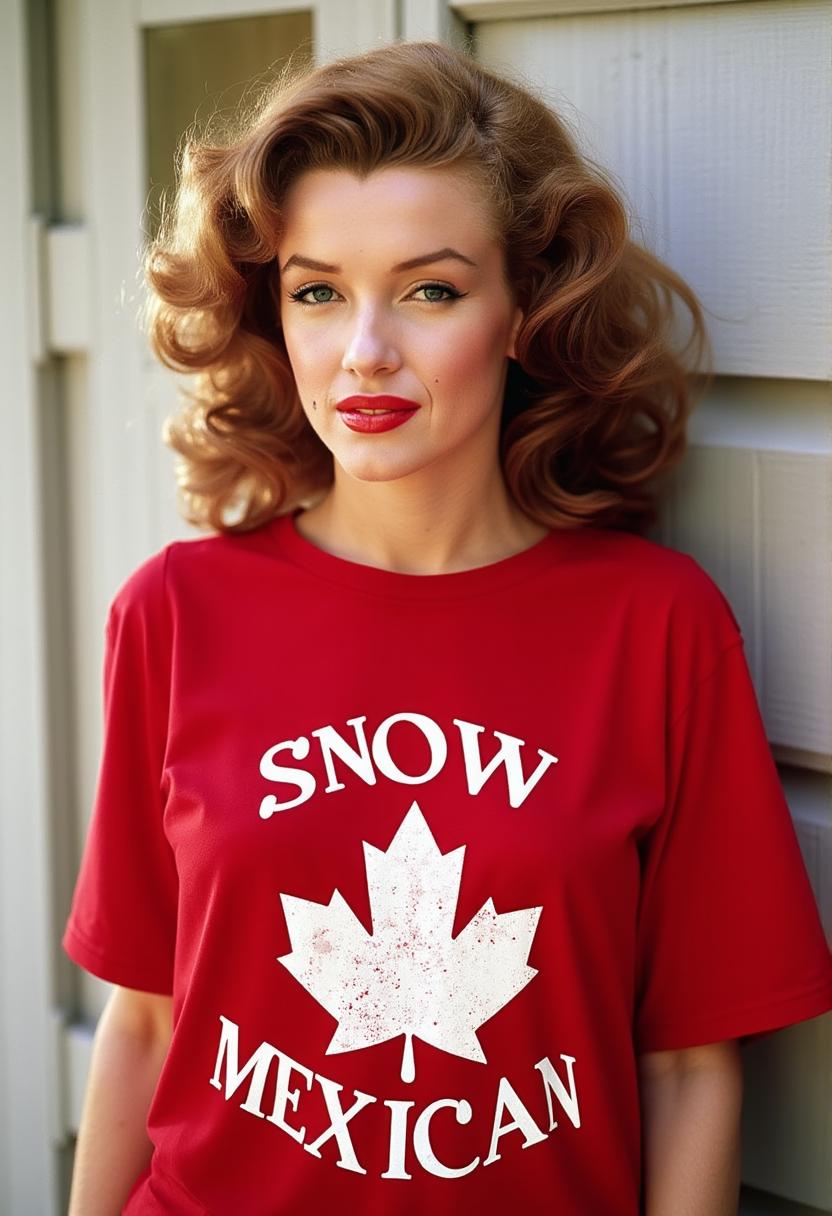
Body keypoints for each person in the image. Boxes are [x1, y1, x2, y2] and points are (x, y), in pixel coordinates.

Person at [62, 38, 832, 1216]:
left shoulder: (655, 628)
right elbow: (148, 1013)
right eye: (318, 290)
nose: (365, 350)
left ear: (525, 310)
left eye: (429, 289)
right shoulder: (174, 613)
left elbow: (686, 1065)